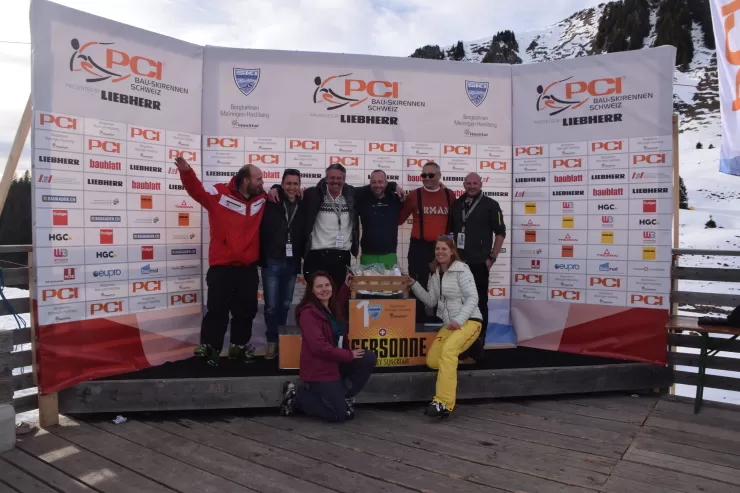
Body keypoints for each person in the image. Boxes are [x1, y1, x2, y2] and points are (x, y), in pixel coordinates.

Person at [175, 156, 266, 366]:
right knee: (217, 310)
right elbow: (196, 190)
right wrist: (186, 171)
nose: (262, 182)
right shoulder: (219, 193)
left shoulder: (262, 198)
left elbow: (282, 195)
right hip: (221, 267)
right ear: (246, 180)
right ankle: (210, 348)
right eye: (259, 179)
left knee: (246, 311)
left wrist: (280, 190)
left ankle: (239, 347)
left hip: (247, 268)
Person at [269, 163, 403, 289]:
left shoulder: (352, 194)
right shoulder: (313, 194)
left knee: (338, 299)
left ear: (344, 180)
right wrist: (276, 188)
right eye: (332, 178)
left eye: (339, 178)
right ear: (326, 179)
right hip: (316, 256)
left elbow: (375, 187)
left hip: (341, 257)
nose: (335, 181)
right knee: (316, 298)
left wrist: (394, 186)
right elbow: (290, 192)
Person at [280, 271, 377, 422]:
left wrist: (346, 286)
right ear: (312, 290)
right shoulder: (308, 313)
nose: (324, 289)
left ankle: (342, 397)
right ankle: (297, 396)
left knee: (367, 357)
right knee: (338, 415)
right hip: (320, 369)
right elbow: (318, 347)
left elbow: (339, 300)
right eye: (319, 286)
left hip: (336, 362)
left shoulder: (332, 306)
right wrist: (348, 355)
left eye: (327, 285)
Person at [406, 236, 482, 418]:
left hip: (469, 321)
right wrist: (414, 284)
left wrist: (459, 320)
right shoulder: (436, 274)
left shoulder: (461, 269)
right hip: (449, 325)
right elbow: (431, 301)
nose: (440, 252)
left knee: (448, 351)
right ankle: (453, 365)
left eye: (444, 249)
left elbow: (473, 297)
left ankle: (443, 402)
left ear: (452, 251)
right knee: (433, 361)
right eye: (437, 249)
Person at [450, 172, 506, 358]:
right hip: (459, 263)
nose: (472, 186)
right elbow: (450, 232)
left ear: (481, 184)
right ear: (464, 184)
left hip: (479, 264)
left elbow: (500, 233)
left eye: (475, 183)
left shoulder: (491, 204)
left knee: (480, 303)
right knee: (459, 303)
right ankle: (461, 343)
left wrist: (492, 258)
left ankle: (479, 343)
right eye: (468, 183)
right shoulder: (457, 204)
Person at [399, 162, 456, 322]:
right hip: (419, 246)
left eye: (431, 175)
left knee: (443, 283)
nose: (427, 178)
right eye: (424, 175)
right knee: (418, 282)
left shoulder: (449, 195)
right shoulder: (414, 195)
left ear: (439, 176)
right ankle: (417, 320)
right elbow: (399, 219)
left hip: (443, 248)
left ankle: (442, 318)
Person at [260, 169, 307, 360]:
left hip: (292, 261)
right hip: (272, 260)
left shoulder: (304, 202)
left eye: (295, 184)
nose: (292, 187)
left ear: (300, 185)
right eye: (288, 183)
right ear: (282, 184)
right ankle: (271, 342)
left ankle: (281, 341)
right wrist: (274, 188)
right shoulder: (272, 200)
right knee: (271, 306)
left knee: (285, 305)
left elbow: (323, 186)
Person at [356, 170, 403, 269]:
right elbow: (349, 190)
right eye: (374, 182)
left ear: (386, 183)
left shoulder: (396, 199)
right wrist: (394, 185)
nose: (377, 185)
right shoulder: (362, 199)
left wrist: (393, 186)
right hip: (367, 254)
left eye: (380, 182)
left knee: (389, 280)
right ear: (369, 183)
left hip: (389, 254)